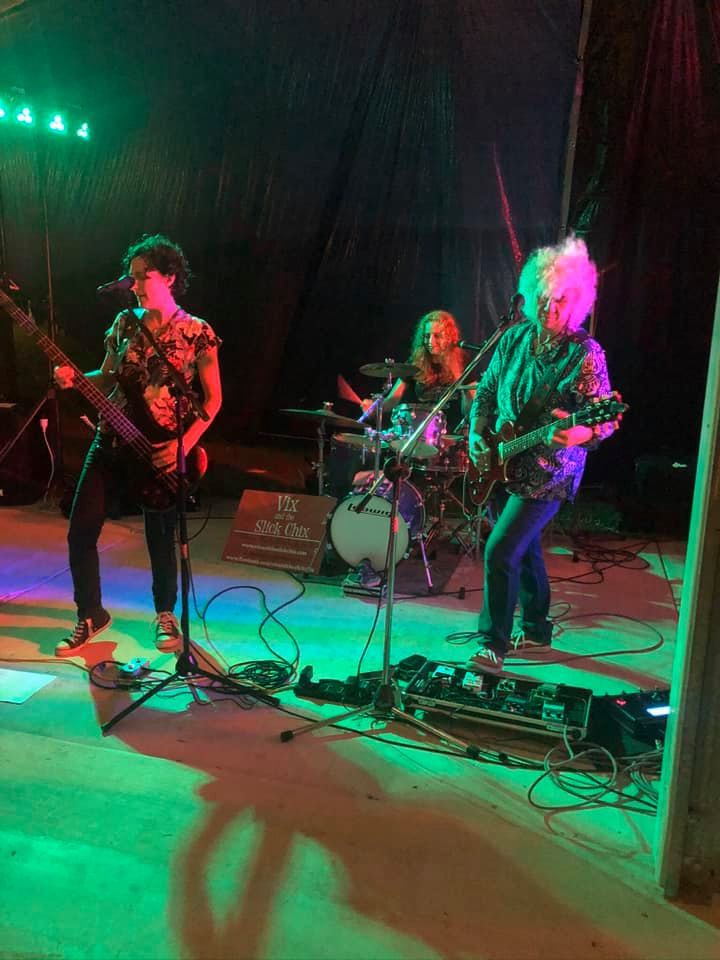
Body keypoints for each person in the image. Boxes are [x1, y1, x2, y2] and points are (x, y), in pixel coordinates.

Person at [53, 233, 222, 656]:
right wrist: (75, 378)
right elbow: (107, 376)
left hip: (160, 446)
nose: (135, 284)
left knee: (160, 537)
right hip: (110, 438)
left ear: (170, 277)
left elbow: (213, 399)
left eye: (144, 276)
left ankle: (165, 614)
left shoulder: (196, 330)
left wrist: (184, 445)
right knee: (80, 530)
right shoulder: (125, 323)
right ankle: (90, 613)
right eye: (131, 277)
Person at [467, 235, 617, 674]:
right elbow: (486, 392)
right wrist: (476, 433)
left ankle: (492, 644)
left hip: (550, 472)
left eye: (560, 299)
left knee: (499, 551)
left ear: (576, 302)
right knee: (525, 547)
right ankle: (536, 628)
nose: (550, 307)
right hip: (502, 461)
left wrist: (576, 434)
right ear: (529, 296)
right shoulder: (513, 339)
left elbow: (604, 421)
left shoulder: (585, 354)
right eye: (543, 297)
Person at [341, 309, 473, 589]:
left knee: (402, 492)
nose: (430, 341)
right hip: (409, 444)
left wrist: (467, 388)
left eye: (437, 336)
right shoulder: (414, 369)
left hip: (442, 447)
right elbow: (392, 402)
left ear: (450, 337)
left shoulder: (463, 370)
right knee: (382, 485)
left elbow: (469, 413)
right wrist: (373, 406)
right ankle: (369, 551)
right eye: (426, 336)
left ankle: (386, 549)